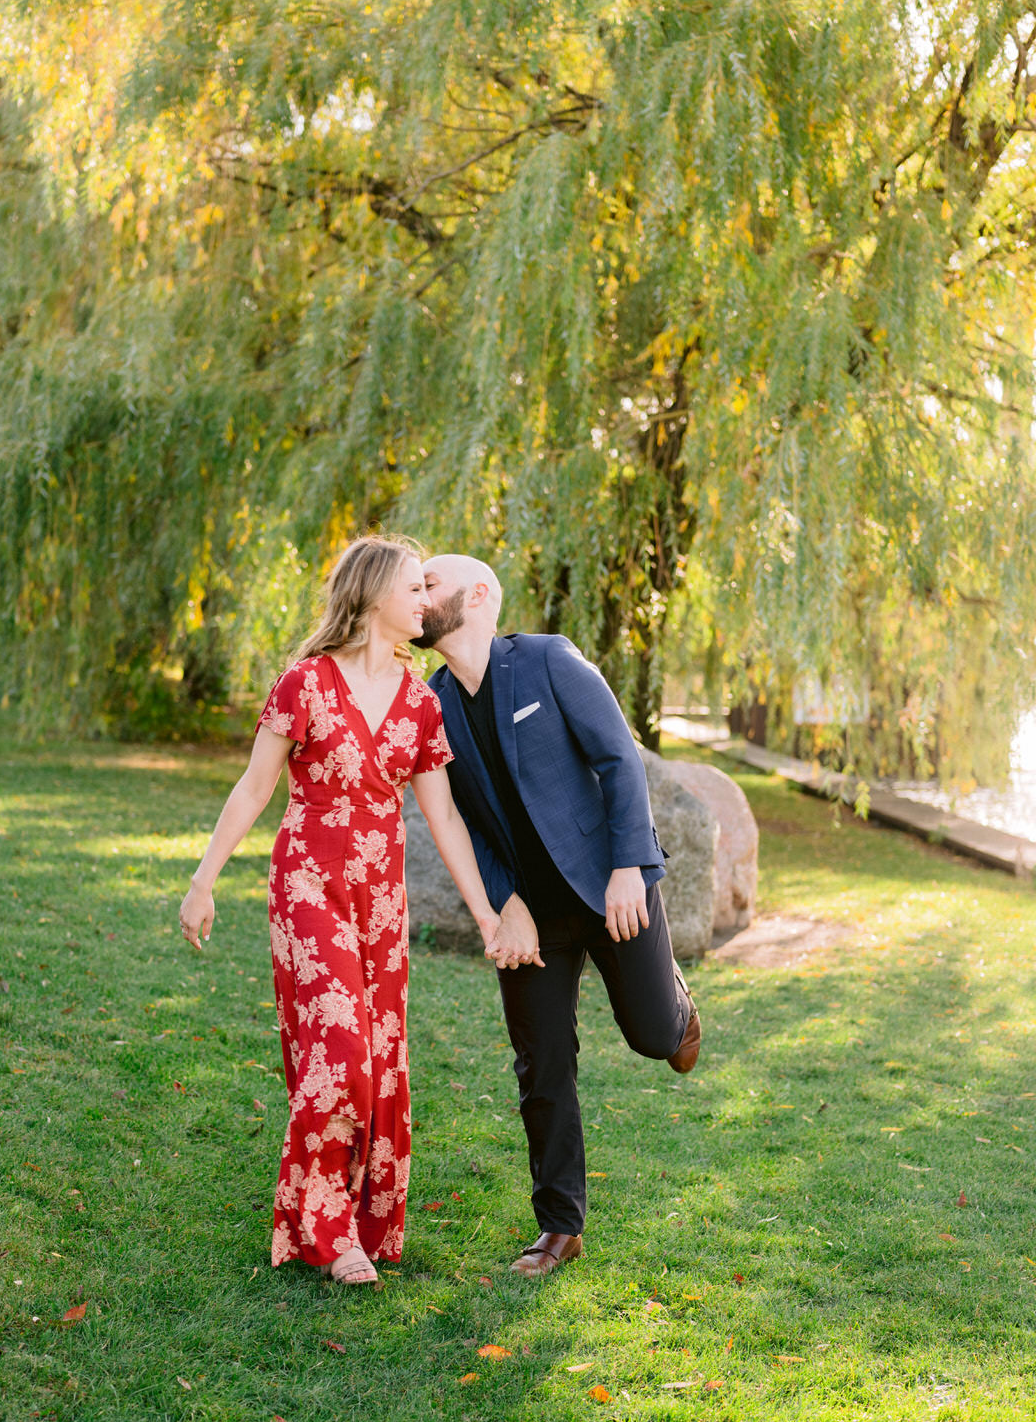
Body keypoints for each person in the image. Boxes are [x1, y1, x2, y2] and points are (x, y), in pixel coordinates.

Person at [178, 537, 502, 1286]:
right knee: (341, 1052)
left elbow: (445, 821)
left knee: (379, 1061)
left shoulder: (421, 702)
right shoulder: (304, 684)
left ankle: (355, 1217)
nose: (425, 601)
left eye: (428, 590)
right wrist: (203, 881)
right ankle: (325, 1232)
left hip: (381, 897)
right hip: (308, 884)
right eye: (413, 589)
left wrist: (485, 915)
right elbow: (255, 788)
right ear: (370, 594)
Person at [417, 554, 701, 1279]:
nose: (416, 596)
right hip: (530, 920)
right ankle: (559, 1226)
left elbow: (617, 759)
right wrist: (504, 906)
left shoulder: (547, 661)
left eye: (429, 583)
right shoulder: (433, 699)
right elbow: (458, 822)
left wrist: (630, 868)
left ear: (478, 595)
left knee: (652, 1037)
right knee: (542, 1062)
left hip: (611, 890)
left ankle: (677, 1005)